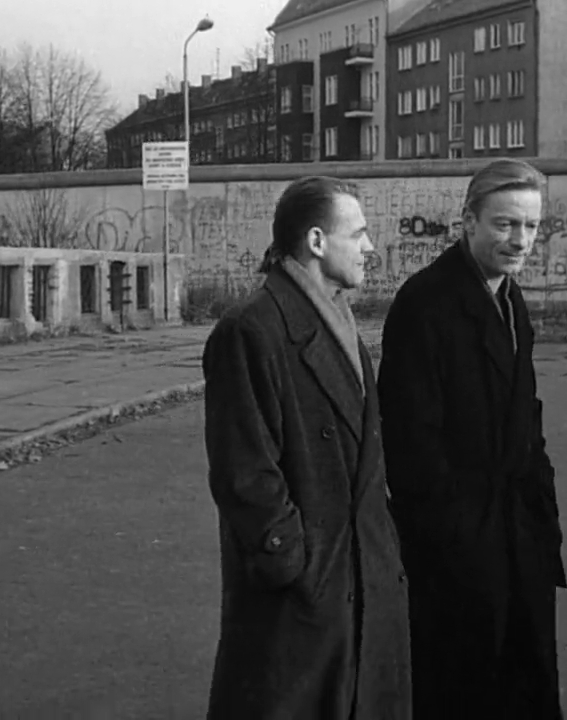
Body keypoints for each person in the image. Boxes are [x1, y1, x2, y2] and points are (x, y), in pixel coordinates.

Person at [202, 176, 412, 720]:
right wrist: (291, 562)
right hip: (307, 593)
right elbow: (244, 472)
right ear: (317, 242)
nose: (370, 248)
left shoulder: (338, 319)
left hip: (355, 576)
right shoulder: (251, 329)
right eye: (359, 234)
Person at [377, 158, 567, 719]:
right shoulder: (426, 304)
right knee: (461, 690)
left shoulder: (511, 300)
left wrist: (541, 512)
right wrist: (454, 535)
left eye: (531, 226)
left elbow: (527, 419)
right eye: (505, 224)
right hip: (460, 550)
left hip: (517, 536)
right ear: (468, 221)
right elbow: (410, 442)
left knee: (525, 686)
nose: (520, 240)